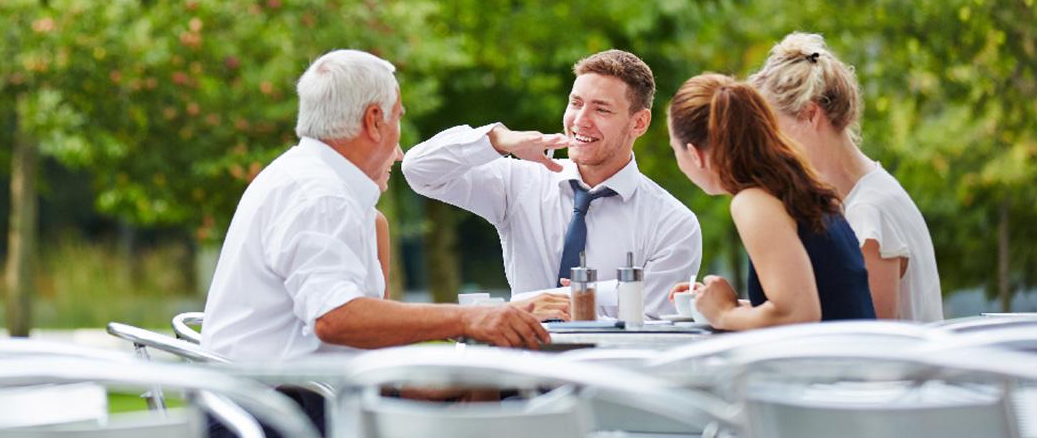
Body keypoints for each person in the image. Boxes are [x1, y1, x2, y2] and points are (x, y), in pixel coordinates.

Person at [202, 50, 550, 434]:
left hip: (278, 400)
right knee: (501, 399)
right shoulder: (322, 195)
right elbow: (335, 318)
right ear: (373, 120)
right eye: (397, 118)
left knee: (480, 386)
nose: (399, 147)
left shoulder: (305, 176)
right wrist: (470, 318)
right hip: (278, 416)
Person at [403, 50, 701, 318]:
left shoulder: (672, 223)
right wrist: (497, 139)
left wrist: (585, 318)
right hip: (522, 371)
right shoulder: (520, 182)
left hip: (610, 376)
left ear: (639, 123)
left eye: (601, 109)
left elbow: (655, 330)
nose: (580, 120)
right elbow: (419, 170)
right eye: (576, 103)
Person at [748, 32, 943, 321]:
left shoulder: (868, 212)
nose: (769, 144)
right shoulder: (865, 193)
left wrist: (730, 314)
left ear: (810, 115)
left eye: (773, 129)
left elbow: (864, 339)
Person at [667, 73, 875, 330]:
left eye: (674, 149)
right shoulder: (795, 185)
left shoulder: (753, 202)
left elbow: (797, 315)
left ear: (694, 154)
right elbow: (819, 299)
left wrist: (723, 315)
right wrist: (724, 304)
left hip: (829, 366)